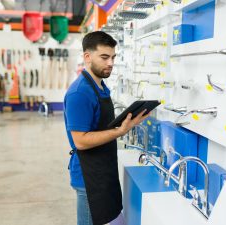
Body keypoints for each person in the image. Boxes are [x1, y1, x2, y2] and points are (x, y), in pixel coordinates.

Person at [64, 31, 150, 225]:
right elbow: (81, 141)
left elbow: (98, 126)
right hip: (88, 177)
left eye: (113, 57)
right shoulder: (79, 93)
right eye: (104, 57)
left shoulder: (101, 87)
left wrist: (131, 122)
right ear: (87, 57)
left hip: (104, 170)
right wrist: (119, 131)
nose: (110, 63)